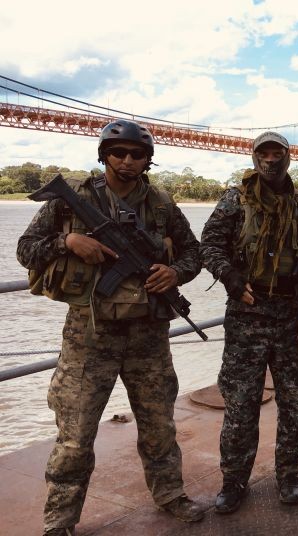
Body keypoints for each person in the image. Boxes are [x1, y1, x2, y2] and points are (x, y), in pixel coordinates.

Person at [17, 119, 205, 535]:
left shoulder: (160, 203)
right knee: (75, 434)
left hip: (148, 337)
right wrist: (66, 243)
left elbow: (194, 252)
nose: (127, 160)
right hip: (89, 335)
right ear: (104, 155)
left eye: (137, 154)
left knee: (159, 426)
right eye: (118, 152)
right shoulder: (70, 201)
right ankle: (60, 520)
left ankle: (171, 495)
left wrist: (174, 273)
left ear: (147, 160)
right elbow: (26, 250)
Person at [200, 131, 298, 514]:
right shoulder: (234, 200)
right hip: (247, 317)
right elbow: (209, 245)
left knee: (295, 403)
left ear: (288, 157)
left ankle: (288, 476)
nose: (270, 160)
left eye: (277, 153)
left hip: (291, 316)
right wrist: (230, 279)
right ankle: (233, 481)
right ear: (254, 158)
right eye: (263, 153)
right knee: (240, 405)